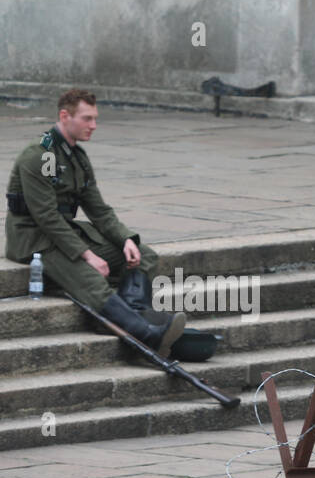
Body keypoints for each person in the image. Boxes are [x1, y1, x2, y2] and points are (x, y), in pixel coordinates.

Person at [5, 88, 185, 356]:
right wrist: (88, 255)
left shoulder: (77, 157)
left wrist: (126, 240)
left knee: (143, 256)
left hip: (64, 233)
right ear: (65, 116)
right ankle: (147, 335)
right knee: (93, 283)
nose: (94, 126)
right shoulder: (41, 155)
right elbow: (46, 217)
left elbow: (99, 209)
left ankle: (126, 319)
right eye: (87, 119)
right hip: (35, 239)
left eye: (95, 119)